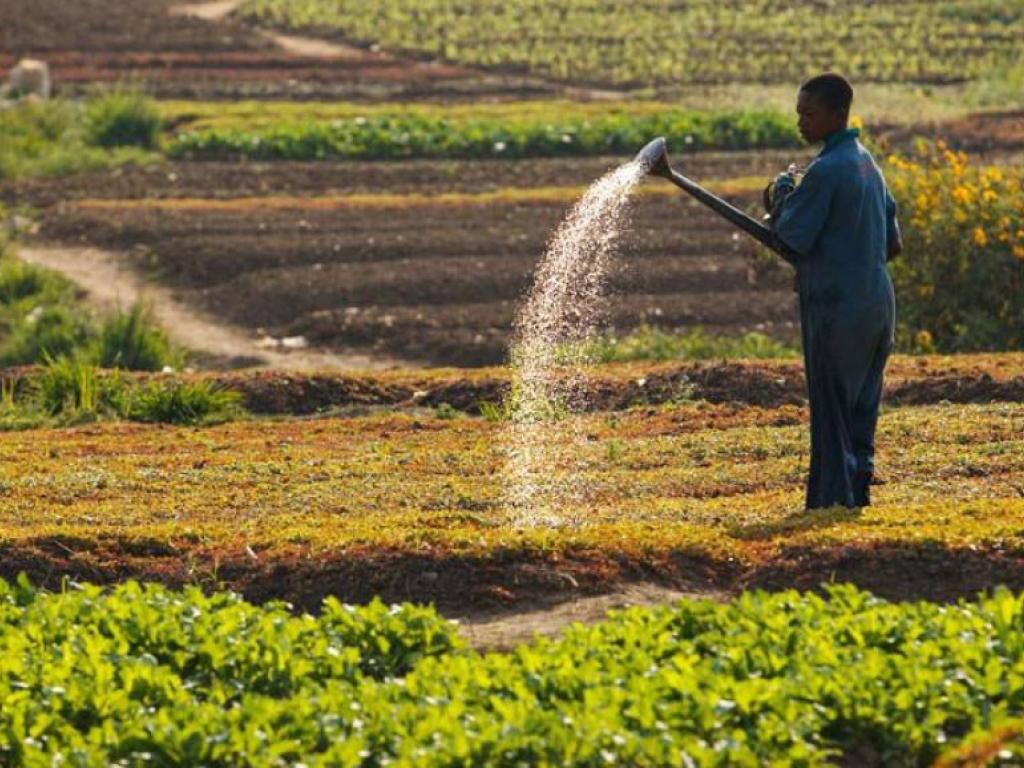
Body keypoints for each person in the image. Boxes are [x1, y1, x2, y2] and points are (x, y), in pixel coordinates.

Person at [766, 73, 902, 509]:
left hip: (837, 309)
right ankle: (857, 494)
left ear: (836, 115)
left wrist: (783, 191)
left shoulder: (827, 169)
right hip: (877, 306)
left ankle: (830, 502)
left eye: (810, 113)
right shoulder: (867, 164)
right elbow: (892, 244)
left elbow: (791, 236)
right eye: (798, 113)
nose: (801, 122)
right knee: (861, 409)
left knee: (832, 412)